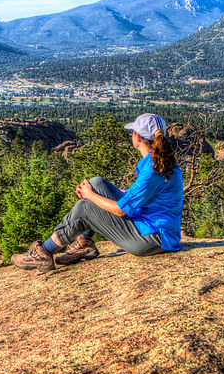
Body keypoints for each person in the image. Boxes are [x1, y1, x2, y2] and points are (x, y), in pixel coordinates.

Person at [12, 113, 183, 272]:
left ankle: (44, 253)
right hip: (154, 230)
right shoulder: (159, 162)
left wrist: (90, 196)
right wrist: (95, 192)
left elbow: (120, 210)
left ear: (137, 137)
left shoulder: (154, 169)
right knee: (97, 183)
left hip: (152, 239)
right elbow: (146, 196)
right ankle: (85, 242)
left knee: (85, 207)